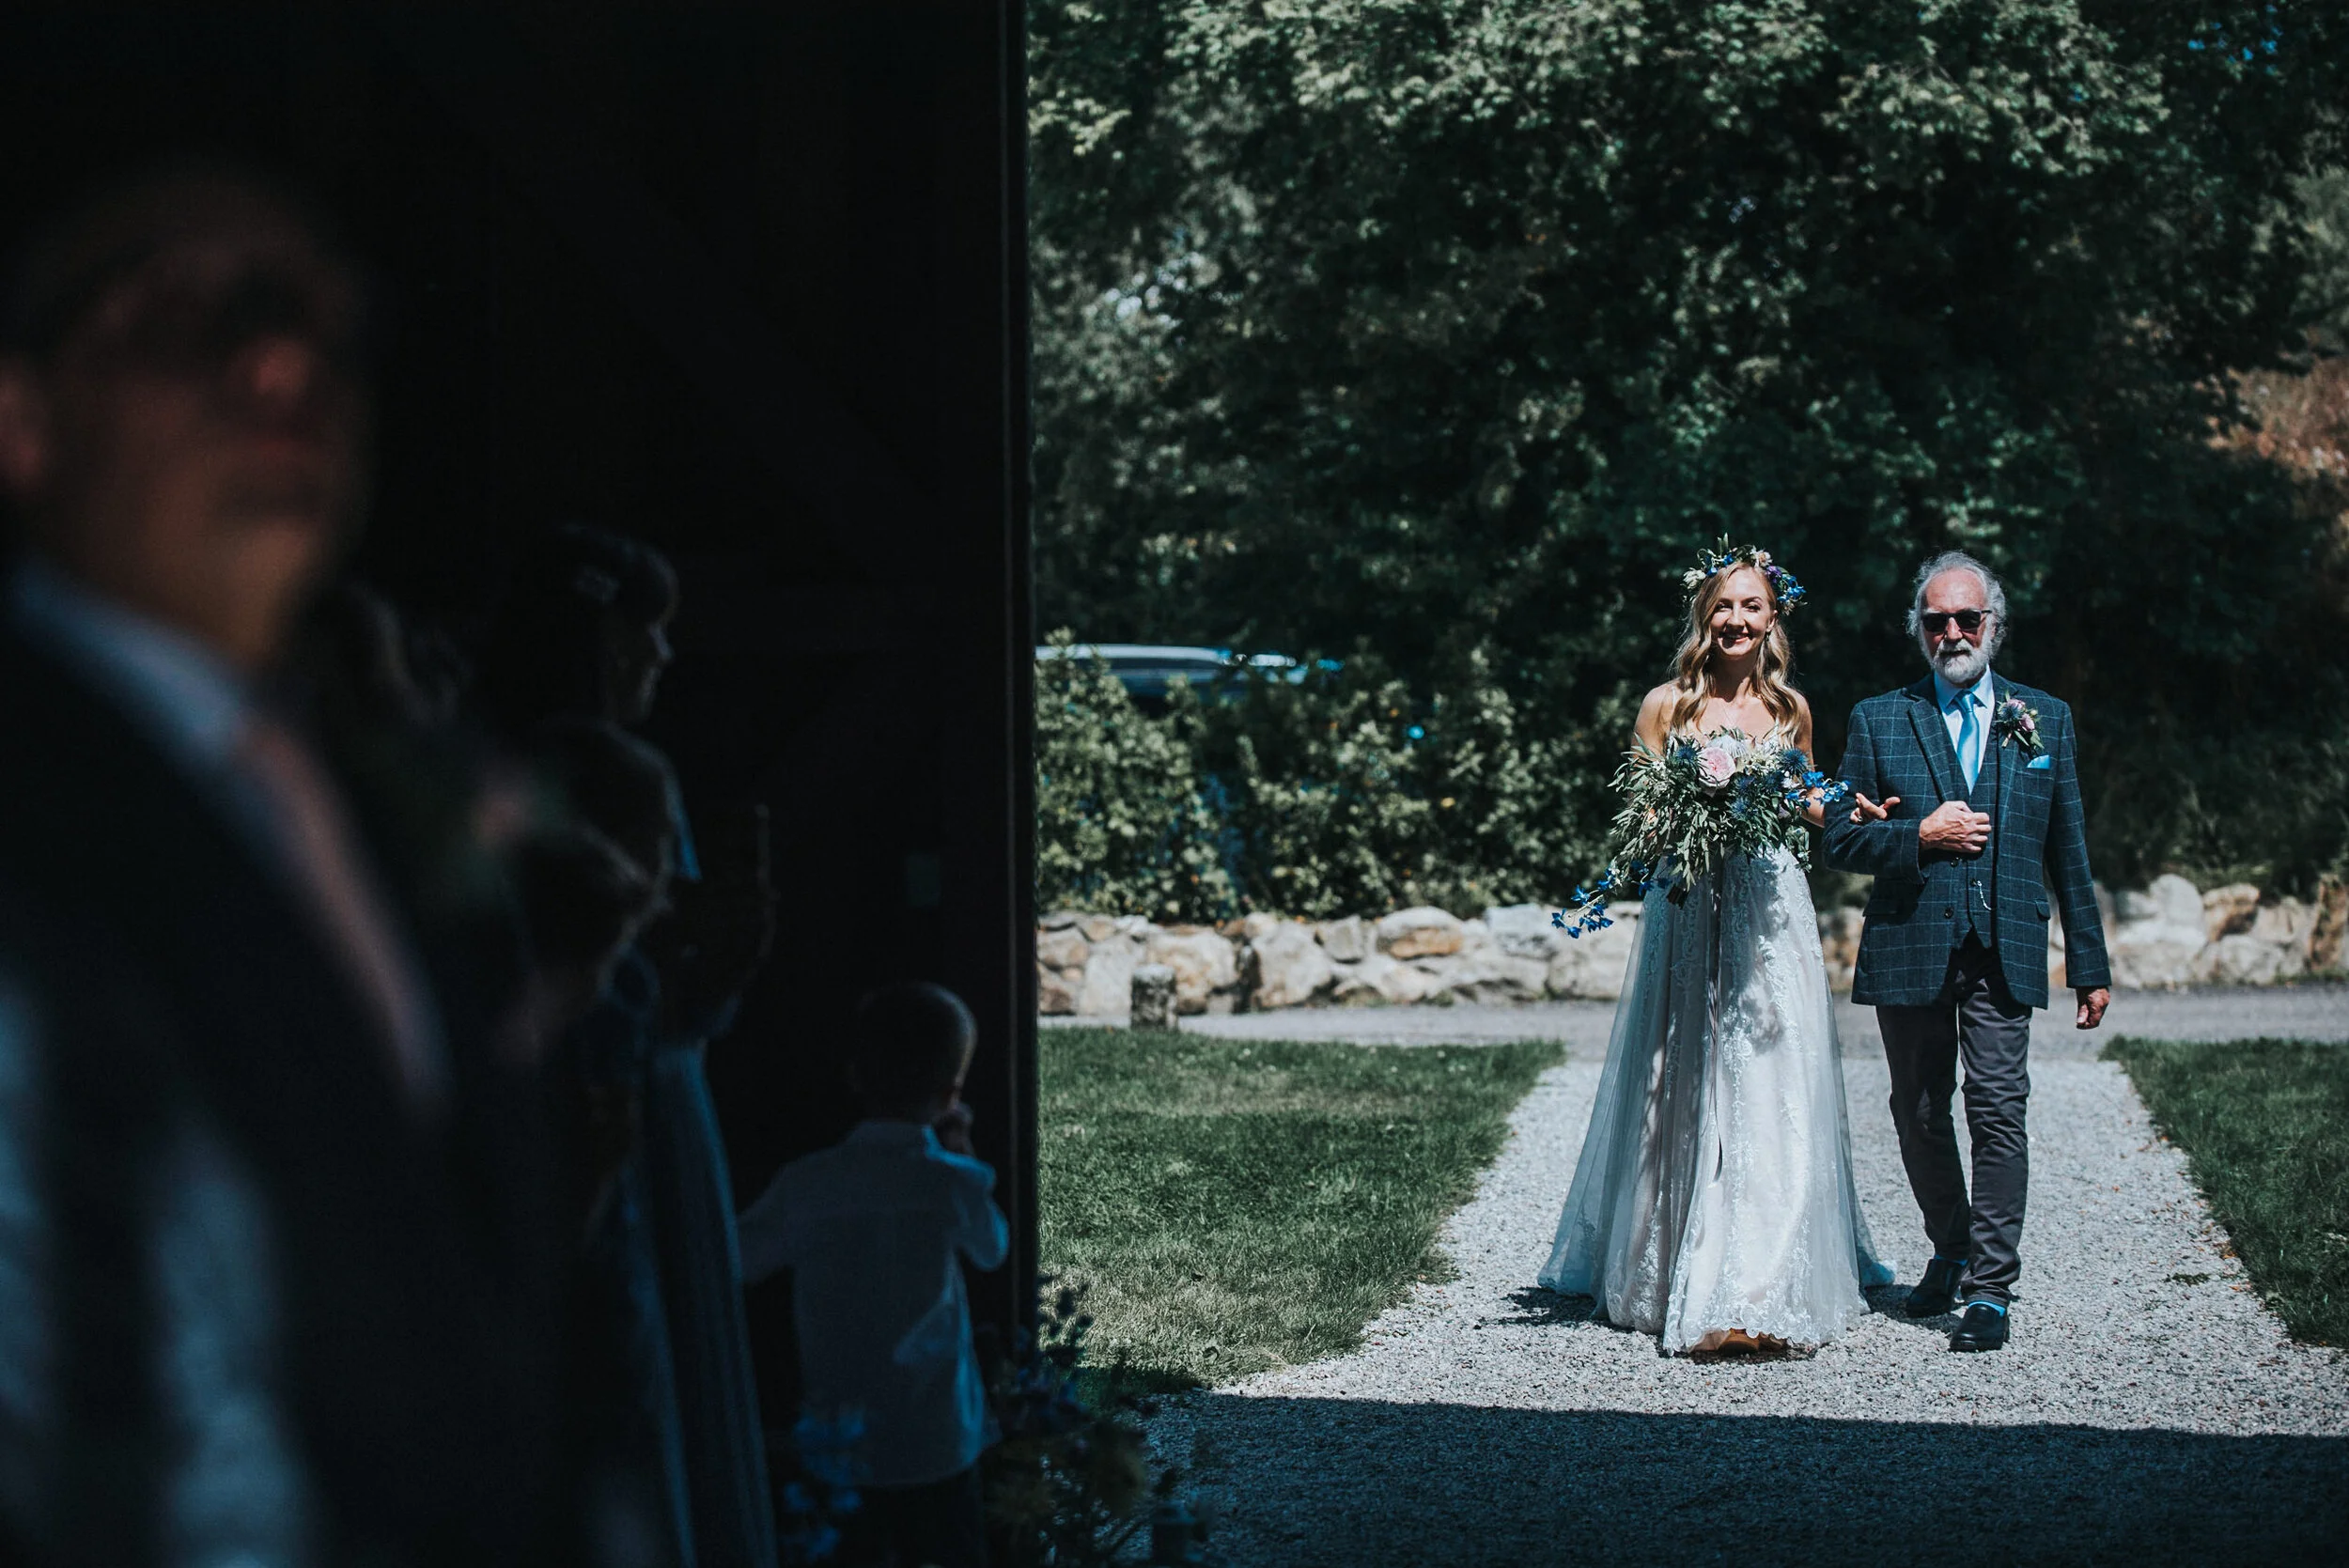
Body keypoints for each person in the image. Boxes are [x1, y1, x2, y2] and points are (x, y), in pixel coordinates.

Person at [0, 165, 565, 1562]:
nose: (281, 362)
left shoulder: (351, 804)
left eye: (322, 326)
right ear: (21, 420)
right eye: (180, 317)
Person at [1538, 546, 1893, 1357]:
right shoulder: (1664, 706)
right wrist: (1696, 796)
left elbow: (1806, 797)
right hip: (1690, 905)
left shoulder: (1791, 708)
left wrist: (1845, 807)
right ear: (1704, 615)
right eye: (1724, 606)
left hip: (1768, 908)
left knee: (1770, 1081)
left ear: (1774, 619)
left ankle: (1758, 1285)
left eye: (1752, 607)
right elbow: (1641, 822)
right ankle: (1668, 1274)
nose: (1737, 620)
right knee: (1681, 1077)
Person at [1823, 551, 2112, 1354]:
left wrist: (2090, 963)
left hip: (2005, 945)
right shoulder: (1879, 718)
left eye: (1967, 618)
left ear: (1995, 626)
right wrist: (1918, 832)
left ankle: (1990, 1288)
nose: (1952, 632)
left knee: (1998, 1107)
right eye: (1936, 620)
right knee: (1916, 1112)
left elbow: (2069, 849)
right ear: (1918, 630)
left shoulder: (2043, 717)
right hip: (1911, 939)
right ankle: (1949, 1246)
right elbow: (1840, 836)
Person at [738, 984, 1008, 1568]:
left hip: (841, 1439)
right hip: (938, 1440)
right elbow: (992, 1250)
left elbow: (740, 1261)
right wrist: (962, 1151)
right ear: (949, 1096)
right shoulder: (949, 1183)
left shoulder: (806, 1184)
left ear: (856, 1076)